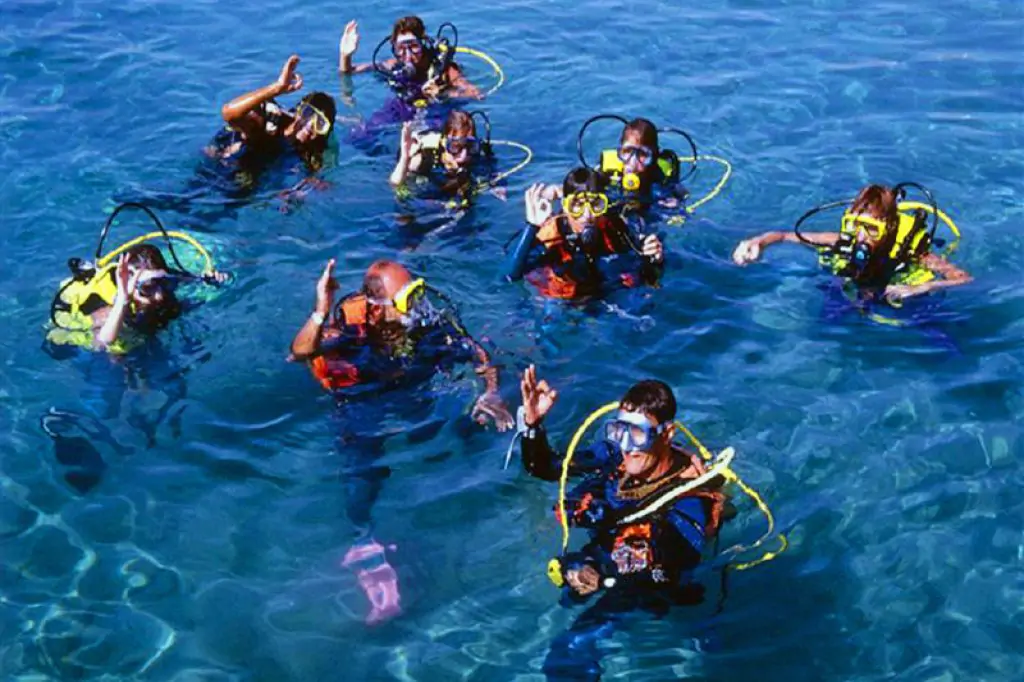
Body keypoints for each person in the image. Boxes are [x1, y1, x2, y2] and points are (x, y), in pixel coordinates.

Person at [289, 258, 513, 624]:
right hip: (364, 395)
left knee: (439, 434)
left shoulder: (423, 322)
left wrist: (490, 392)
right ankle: (363, 538)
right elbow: (300, 352)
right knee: (361, 463)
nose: (420, 304)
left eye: (417, 291)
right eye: (408, 298)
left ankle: (471, 500)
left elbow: (478, 352)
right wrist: (320, 310)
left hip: (409, 386)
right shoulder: (352, 329)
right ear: (380, 307)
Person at [518, 366, 726, 681]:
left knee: (570, 649)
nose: (627, 445)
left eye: (638, 433)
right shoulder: (616, 455)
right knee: (567, 597)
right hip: (604, 555)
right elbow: (545, 469)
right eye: (619, 431)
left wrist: (602, 574)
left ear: (667, 435)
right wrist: (533, 425)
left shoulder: (690, 493)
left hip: (646, 583)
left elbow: (676, 559)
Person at [732, 184, 972, 304]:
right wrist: (759, 242)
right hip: (853, 293)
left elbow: (965, 280)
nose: (860, 236)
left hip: (904, 300)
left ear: (888, 228)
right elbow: (785, 236)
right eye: (855, 225)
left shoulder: (913, 253)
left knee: (943, 345)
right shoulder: (843, 241)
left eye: (871, 230)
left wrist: (923, 288)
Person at [506, 169, 664, 298]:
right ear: (565, 207)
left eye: (596, 204)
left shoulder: (613, 227)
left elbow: (640, 267)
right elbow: (509, 277)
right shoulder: (551, 235)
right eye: (577, 206)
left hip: (604, 292)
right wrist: (532, 226)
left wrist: (655, 259)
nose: (587, 215)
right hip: (562, 301)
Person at [48, 244, 227, 354]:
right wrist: (122, 302)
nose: (159, 294)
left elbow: (200, 292)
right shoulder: (109, 306)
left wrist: (216, 281)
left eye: (163, 283)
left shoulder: (162, 285)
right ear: (129, 283)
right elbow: (102, 342)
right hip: (89, 348)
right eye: (148, 287)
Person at [217, 55, 337, 195]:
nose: (310, 126)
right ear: (297, 111)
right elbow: (229, 113)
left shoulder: (308, 153)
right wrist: (277, 88)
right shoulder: (269, 123)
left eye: (320, 124)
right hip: (219, 174)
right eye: (307, 113)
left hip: (245, 194)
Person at [338, 16, 481, 104]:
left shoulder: (445, 70)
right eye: (401, 48)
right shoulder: (393, 65)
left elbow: (476, 94)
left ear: (423, 44)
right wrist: (346, 55)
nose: (407, 54)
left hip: (434, 112)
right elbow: (348, 72)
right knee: (361, 138)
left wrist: (443, 93)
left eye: (413, 46)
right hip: (402, 109)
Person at [389, 111, 494, 203]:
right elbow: (395, 184)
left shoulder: (475, 155)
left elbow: (491, 172)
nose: (463, 156)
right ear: (444, 144)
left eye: (470, 146)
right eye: (455, 148)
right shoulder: (426, 156)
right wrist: (405, 158)